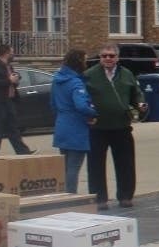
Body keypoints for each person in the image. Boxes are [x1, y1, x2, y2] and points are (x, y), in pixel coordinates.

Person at [85, 43, 148, 210]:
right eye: (104, 55)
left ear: (117, 58)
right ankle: (100, 198)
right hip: (98, 128)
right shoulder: (90, 75)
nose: (108, 58)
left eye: (111, 56)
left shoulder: (126, 75)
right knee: (96, 165)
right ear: (100, 57)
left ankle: (125, 196)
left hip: (122, 126)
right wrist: (88, 114)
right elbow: (83, 98)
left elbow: (137, 94)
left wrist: (141, 105)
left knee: (125, 163)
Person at [50, 49, 98, 194]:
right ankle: (70, 196)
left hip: (61, 126)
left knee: (64, 167)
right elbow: (81, 105)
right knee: (74, 167)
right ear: (79, 63)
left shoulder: (57, 79)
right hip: (76, 128)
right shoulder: (76, 82)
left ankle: (63, 195)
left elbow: (52, 104)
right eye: (85, 60)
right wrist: (94, 113)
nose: (86, 63)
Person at [0, 44, 36, 155]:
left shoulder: (9, 66)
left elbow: (11, 83)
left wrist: (15, 81)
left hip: (9, 101)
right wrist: (9, 80)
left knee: (13, 129)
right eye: (12, 52)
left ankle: (23, 152)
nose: (13, 55)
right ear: (6, 53)